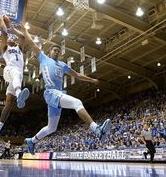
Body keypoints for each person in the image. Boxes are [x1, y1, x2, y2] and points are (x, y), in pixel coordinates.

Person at [19, 23, 111, 155]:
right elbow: (32, 43)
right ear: (49, 52)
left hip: (57, 94)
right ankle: (96, 129)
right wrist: (24, 31)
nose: (56, 51)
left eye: (58, 50)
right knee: (77, 103)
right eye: (54, 50)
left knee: (52, 128)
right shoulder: (44, 59)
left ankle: (31, 141)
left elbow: (77, 75)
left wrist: (91, 79)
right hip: (51, 92)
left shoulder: (62, 65)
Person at [0, 15, 30, 143]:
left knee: (9, 103)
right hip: (9, 71)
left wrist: (12, 28)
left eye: (13, 37)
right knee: (16, 74)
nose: (11, 38)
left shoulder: (19, 49)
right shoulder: (5, 49)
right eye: (9, 38)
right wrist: (3, 27)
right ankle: (19, 95)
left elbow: (22, 37)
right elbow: (5, 35)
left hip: (17, 77)